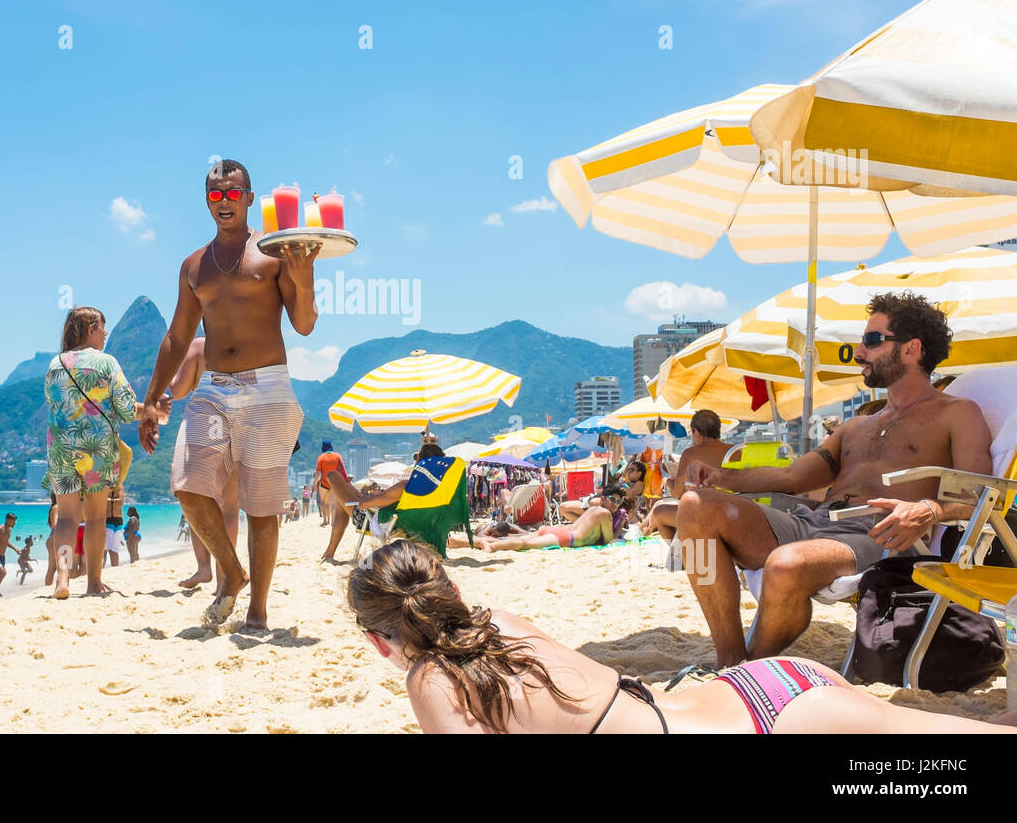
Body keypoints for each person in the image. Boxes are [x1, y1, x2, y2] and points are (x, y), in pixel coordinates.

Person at [348, 540, 1017, 734]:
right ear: (455, 593)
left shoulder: (429, 681)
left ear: (380, 642)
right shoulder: (504, 624)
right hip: (761, 689)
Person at [676, 292, 993, 667]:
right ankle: (730, 659)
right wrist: (723, 476)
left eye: (872, 340)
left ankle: (751, 666)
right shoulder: (856, 426)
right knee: (694, 507)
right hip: (813, 521)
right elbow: (792, 476)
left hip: (877, 535)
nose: (859, 352)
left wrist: (928, 510)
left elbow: (983, 496)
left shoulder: (957, 414)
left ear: (912, 350)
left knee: (785, 565)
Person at [137, 159, 318, 631]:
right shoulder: (194, 265)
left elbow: (304, 323)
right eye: (215, 194)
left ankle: (258, 610)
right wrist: (153, 399)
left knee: (261, 505)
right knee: (188, 485)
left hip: (268, 386)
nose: (224, 201)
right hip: (214, 388)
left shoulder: (275, 250)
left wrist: (303, 277)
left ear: (249, 198)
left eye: (232, 193)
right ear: (206, 200)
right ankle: (230, 572)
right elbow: (178, 336)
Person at [44, 306, 143, 599]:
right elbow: (126, 411)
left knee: (65, 518)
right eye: (102, 328)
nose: (105, 333)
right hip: (96, 447)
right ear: (90, 330)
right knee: (97, 517)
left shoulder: (55, 364)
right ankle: (94, 584)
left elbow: (53, 400)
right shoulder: (107, 363)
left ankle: (62, 580)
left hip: (60, 447)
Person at [165, 335, 242, 593]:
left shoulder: (200, 344)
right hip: (242, 419)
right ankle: (225, 577)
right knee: (230, 508)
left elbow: (177, 389)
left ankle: (204, 567)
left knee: (197, 499)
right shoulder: (249, 343)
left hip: (207, 423)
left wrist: (168, 376)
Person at [319, 442, 448, 561]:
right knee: (344, 495)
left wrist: (365, 493)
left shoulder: (406, 486)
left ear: (422, 464)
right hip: (403, 525)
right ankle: (329, 553)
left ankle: (329, 553)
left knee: (332, 475)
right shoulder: (439, 491)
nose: (415, 462)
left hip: (375, 521)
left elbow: (363, 505)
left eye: (417, 459)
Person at [642, 409, 731, 541]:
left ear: (697, 432)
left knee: (658, 513)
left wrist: (669, 482)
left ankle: (682, 553)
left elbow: (677, 493)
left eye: (691, 432)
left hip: (704, 514)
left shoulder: (691, 453)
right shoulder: (734, 450)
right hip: (731, 511)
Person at [475, 499, 617, 552]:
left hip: (557, 530)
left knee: (522, 539)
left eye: (619, 501)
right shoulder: (605, 513)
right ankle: (491, 546)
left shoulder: (590, 510)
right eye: (614, 499)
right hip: (566, 537)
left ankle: (467, 542)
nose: (616, 504)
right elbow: (609, 540)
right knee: (523, 543)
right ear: (604, 499)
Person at [316, 440, 352, 560]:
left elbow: (318, 472)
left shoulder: (321, 457)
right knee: (332, 504)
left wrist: (315, 484)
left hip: (324, 483)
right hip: (334, 483)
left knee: (323, 502)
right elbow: (342, 469)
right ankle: (332, 521)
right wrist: (346, 481)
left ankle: (325, 520)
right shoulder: (337, 456)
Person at [0, 513, 22, 598]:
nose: (14, 523)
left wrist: (15, 549)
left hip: (2, 556)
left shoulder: (9, 530)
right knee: (3, 572)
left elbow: (6, 542)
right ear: (8, 520)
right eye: (13, 521)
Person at [105, 486, 124, 568]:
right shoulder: (104, 485)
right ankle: (113, 568)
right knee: (108, 549)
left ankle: (115, 568)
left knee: (113, 549)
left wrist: (105, 499)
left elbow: (120, 501)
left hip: (116, 520)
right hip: (108, 520)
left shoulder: (119, 486)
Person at [45, 493, 58, 586]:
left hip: (52, 538)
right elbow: (56, 525)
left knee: (52, 568)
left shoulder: (53, 507)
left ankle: (47, 588)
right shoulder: (57, 507)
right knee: (65, 566)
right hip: (57, 539)